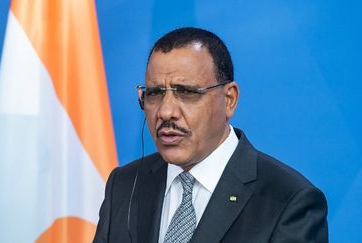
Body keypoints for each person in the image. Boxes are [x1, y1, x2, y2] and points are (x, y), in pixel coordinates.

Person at [93, 27, 328, 243]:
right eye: (154, 93)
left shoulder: (288, 200)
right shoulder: (123, 185)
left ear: (229, 100)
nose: (165, 112)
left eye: (186, 92)